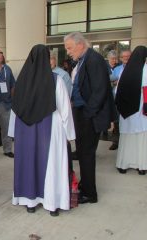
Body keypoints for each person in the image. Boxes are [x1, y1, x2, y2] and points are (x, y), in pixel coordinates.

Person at [10, 44, 75, 217]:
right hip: (51, 129)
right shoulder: (56, 80)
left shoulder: (21, 81)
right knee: (51, 164)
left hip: (25, 130)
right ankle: (52, 204)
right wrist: (69, 135)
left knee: (28, 163)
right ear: (47, 59)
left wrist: (13, 132)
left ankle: (29, 202)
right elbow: (65, 111)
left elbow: (14, 110)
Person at [64, 32, 116, 204]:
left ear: (80, 44)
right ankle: (85, 186)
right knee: (83, 153)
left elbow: (99, 91)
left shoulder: (94, 59)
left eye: (69, 48)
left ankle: (90, 193)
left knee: (86, 154)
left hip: (89, 115)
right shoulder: (83, 59)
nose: (68, 52)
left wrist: (87, 114)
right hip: (82, 112)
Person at [115, 46, 147, 175]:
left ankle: (123, 165)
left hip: (126, 111)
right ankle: (141, 166)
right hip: (140, 111)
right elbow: (146, 89)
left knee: (126, 138)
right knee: (141, 137)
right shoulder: (145, 69)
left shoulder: (124, 70)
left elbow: (117, 91)